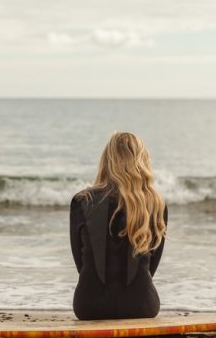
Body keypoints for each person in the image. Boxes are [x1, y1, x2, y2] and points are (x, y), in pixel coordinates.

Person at [69, 131, 168, 320]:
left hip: (89, 305)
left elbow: (80, 263)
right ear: (142, 160)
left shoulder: (82, 201)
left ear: (107, 160)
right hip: (142, 305)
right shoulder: (155, 203)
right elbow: (151, 266)